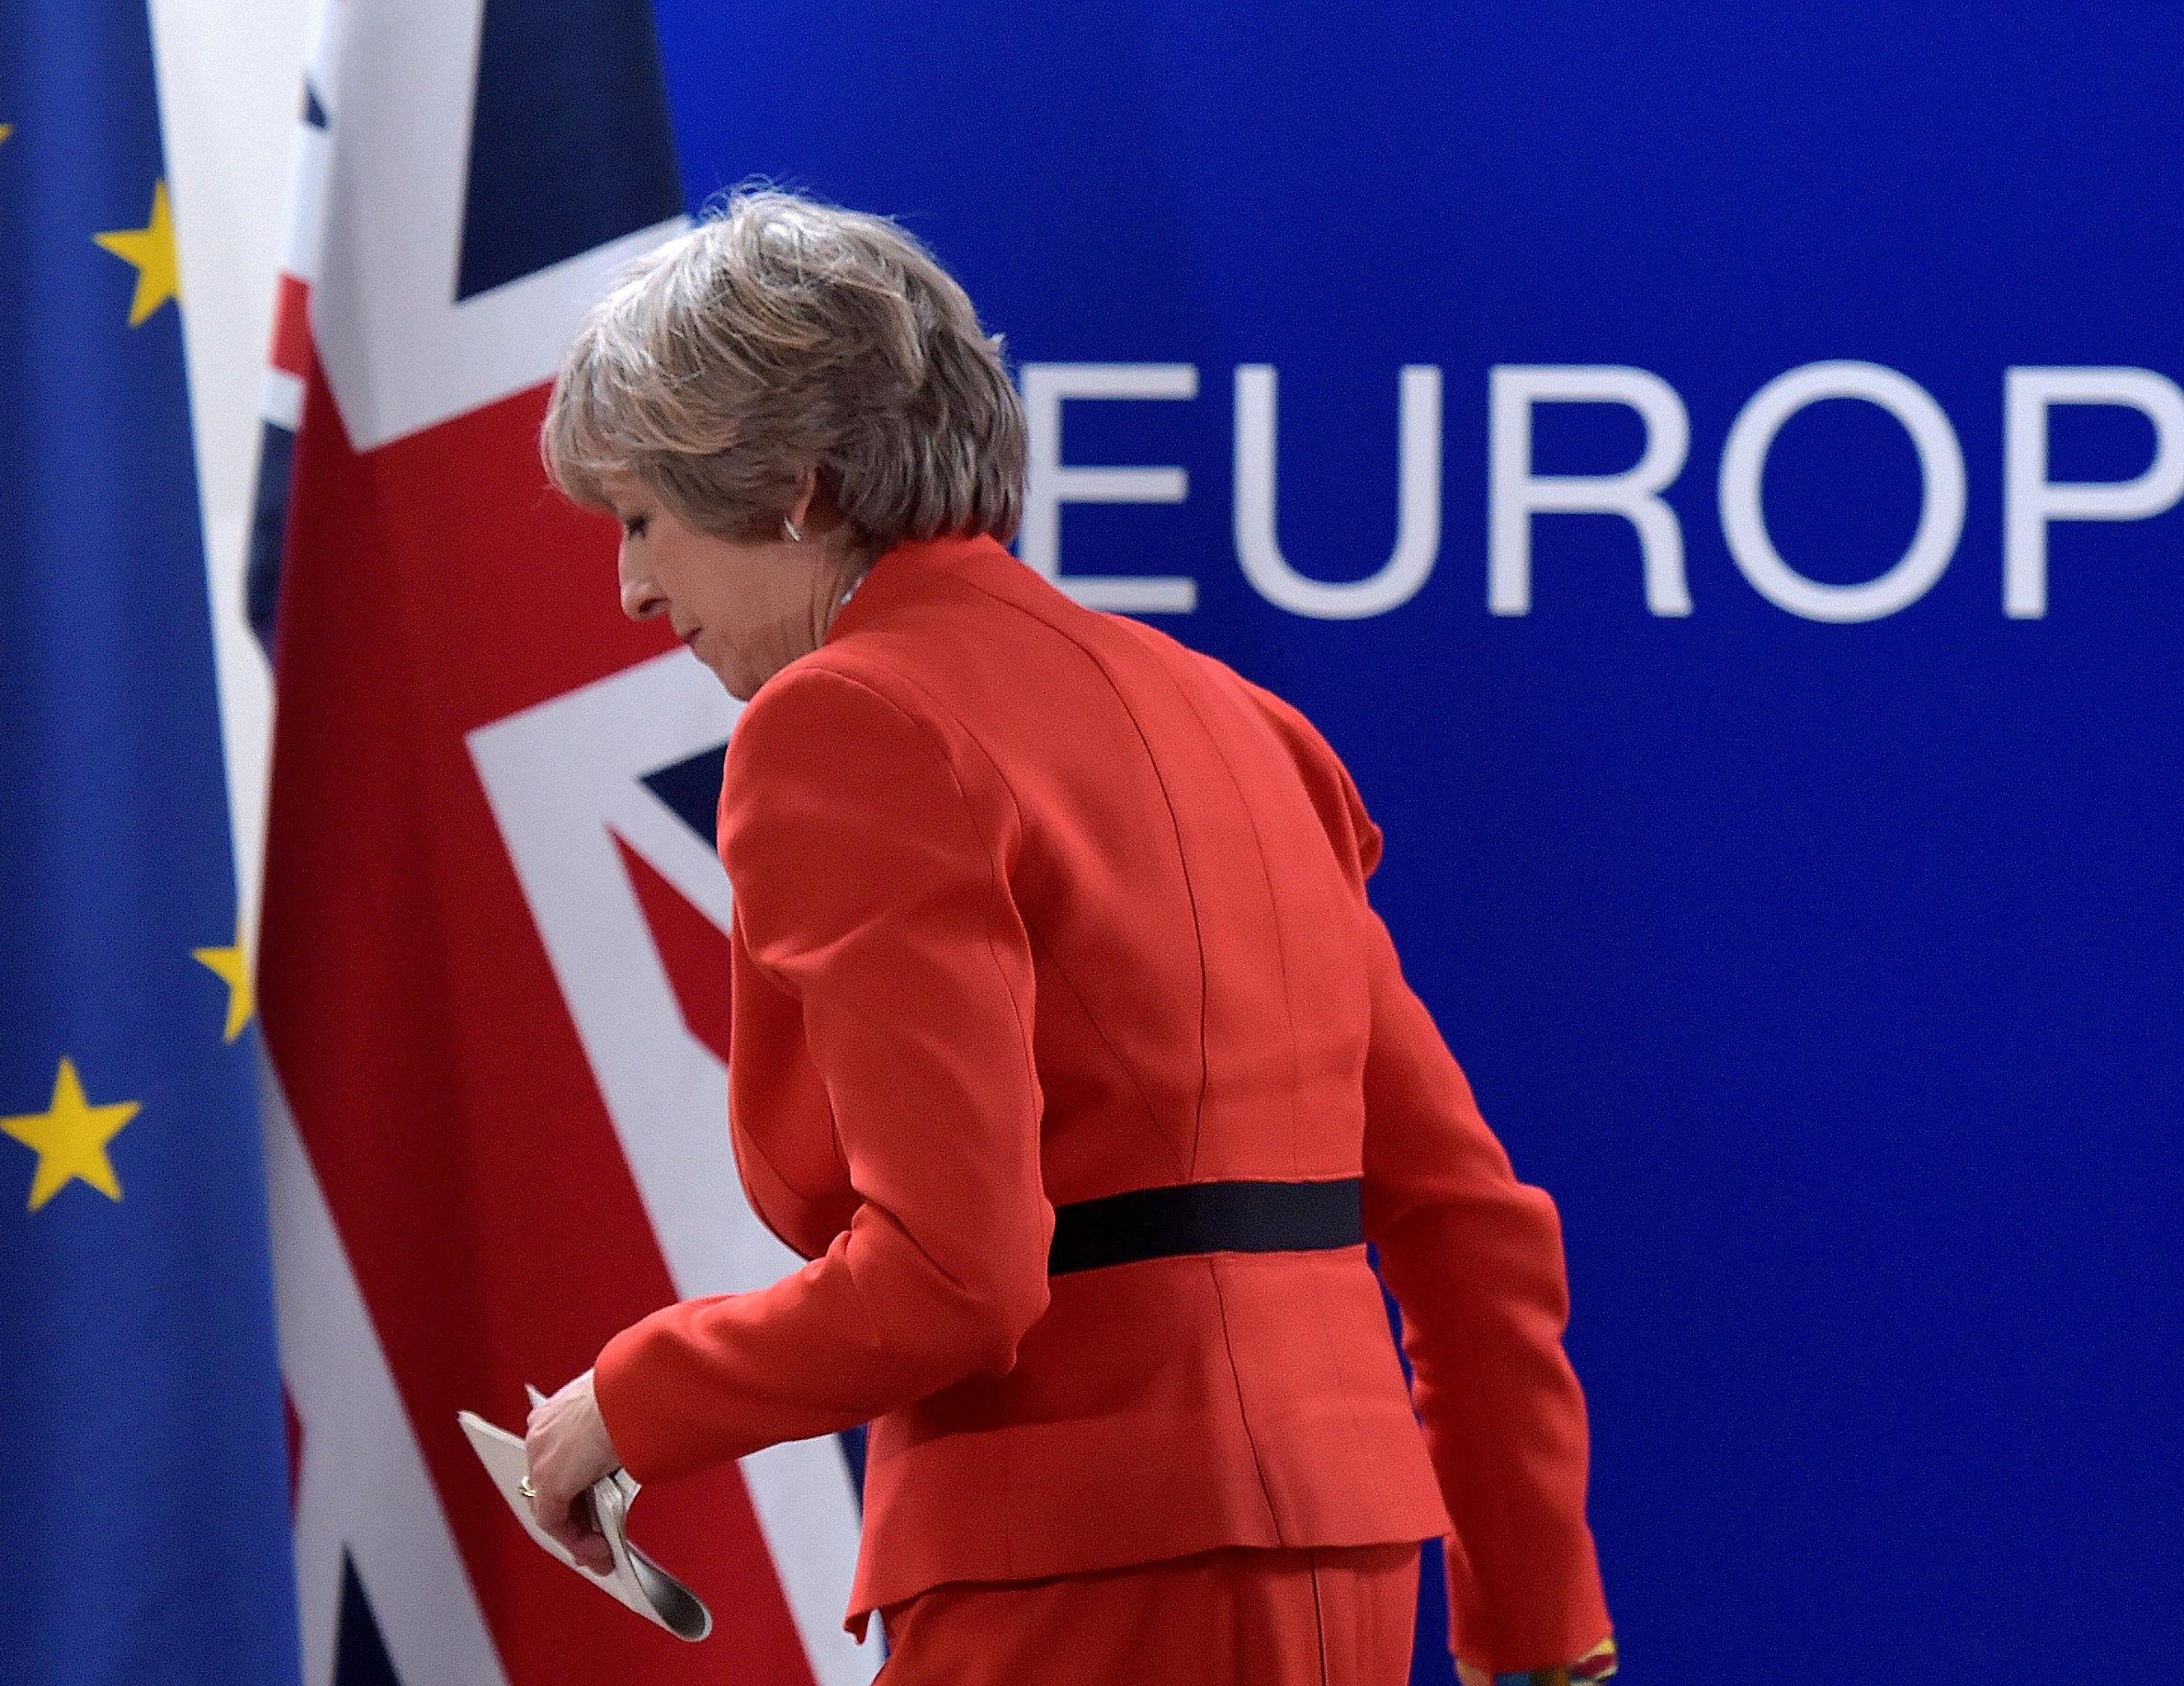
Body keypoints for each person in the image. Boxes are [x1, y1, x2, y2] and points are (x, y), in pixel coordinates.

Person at [517, 185, 1616, 1686]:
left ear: (789, 485)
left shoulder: (843, 723)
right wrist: (1544, 1638)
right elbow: (1467, 1219)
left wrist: (621, 1404)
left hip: (1074, 1569)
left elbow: (954, 1277)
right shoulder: (1241, 722)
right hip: (1347, 1556)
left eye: (642, 518)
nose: (636, 587)